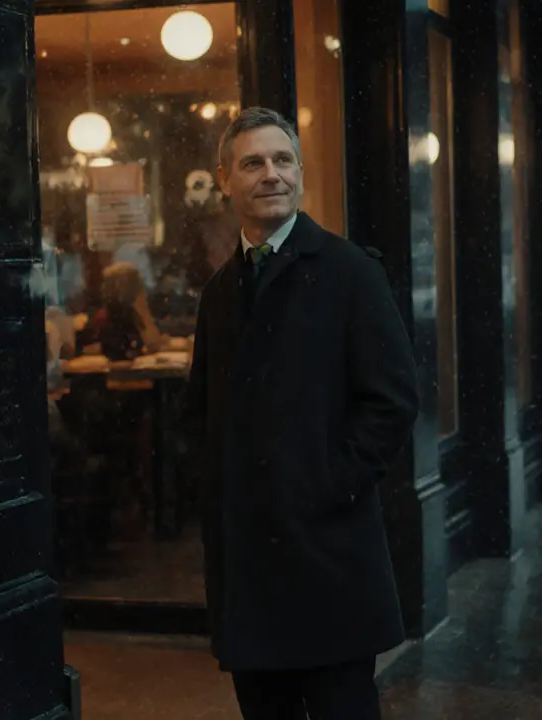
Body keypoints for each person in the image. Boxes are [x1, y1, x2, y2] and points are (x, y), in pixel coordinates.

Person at [181, 107, 419, 719]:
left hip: (328, 554)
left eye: (283, 160)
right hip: (247, 570)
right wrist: (217, 496)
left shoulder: (351, 273)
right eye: (253, 163)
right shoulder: (219, 293)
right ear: (225, 179)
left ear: (300, 172)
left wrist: (322, 486)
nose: (271, 174)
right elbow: (200, 414)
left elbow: (392, 403)